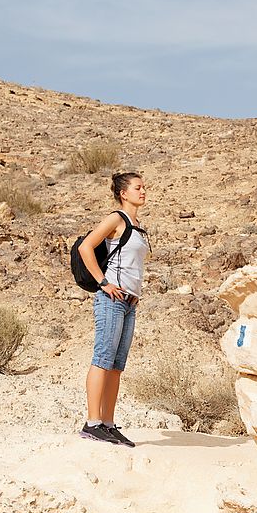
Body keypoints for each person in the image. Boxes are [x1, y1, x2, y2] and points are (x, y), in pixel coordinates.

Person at [76, 172, 151, 447]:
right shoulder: (116, 219)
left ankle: (108, 423)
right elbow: (86, 247)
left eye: (144, 187)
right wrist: (103, 282)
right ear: (124, 193)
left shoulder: (137, 224)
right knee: (103, 358)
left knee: (117, 366)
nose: (143, 191)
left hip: (130, 302)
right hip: (111, 299)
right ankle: (92, 422)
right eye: (138, 187)